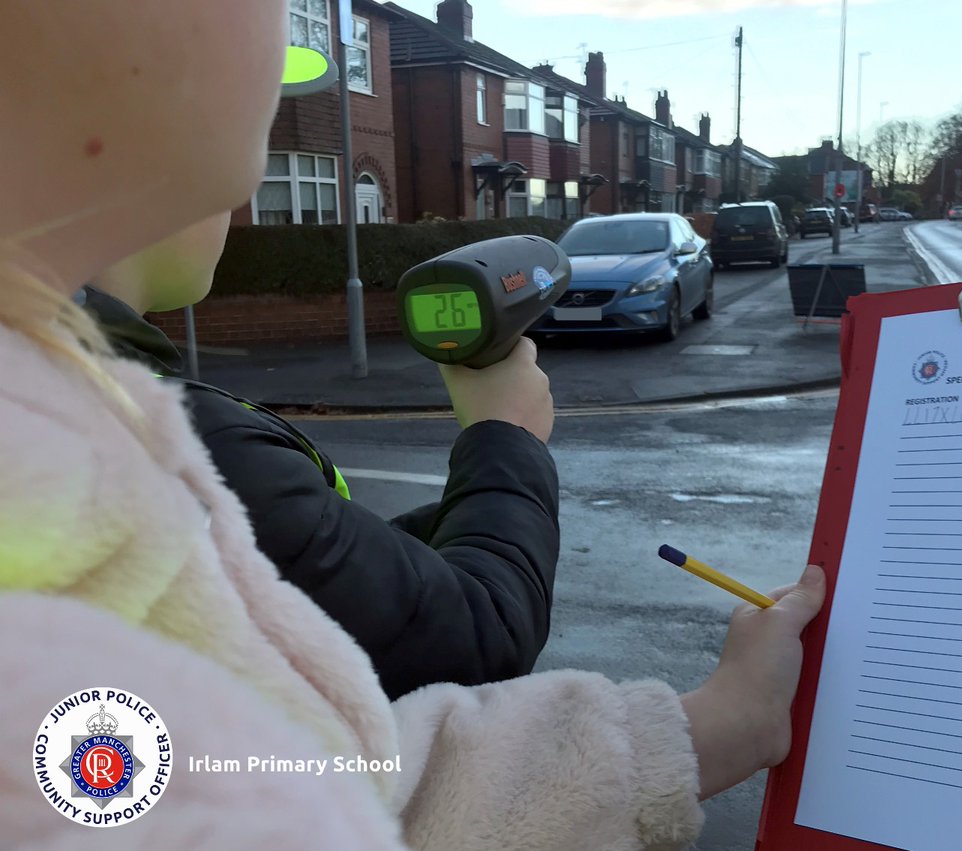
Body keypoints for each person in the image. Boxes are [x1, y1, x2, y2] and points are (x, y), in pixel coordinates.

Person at [0, 3, 827, 848]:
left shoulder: (72, 417)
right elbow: (450, 656)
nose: (285, 40)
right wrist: (504, 437)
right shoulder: (135, 449)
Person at [85, 211, 559, 699]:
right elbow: (480, 640)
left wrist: (457, 515)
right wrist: (506, 435)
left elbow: (302, 570)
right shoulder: (171, 445)